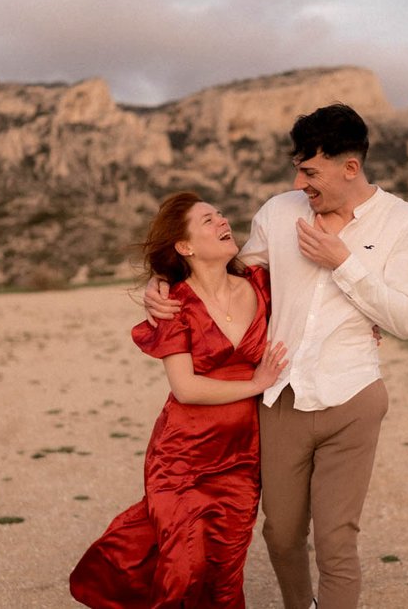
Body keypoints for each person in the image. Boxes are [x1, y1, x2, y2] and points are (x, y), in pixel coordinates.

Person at [145, 104, 408, 609]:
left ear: (350, 167)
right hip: (281, 401)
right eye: (297, 167)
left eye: (310, 170)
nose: (299, 181)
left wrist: (344, 263)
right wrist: (161, 282)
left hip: (352, 397)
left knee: (337, 541)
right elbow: (226, 273)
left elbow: (406, 320)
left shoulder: (402, 222)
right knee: (280, 534)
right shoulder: (280, 212)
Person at [70, 191, 288, 609]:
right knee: (182, 569)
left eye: (221, 214)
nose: (223, 221)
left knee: (225, 575)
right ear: (185, 247)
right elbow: (185, 387)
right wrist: (256, 384)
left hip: (243, 460)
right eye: (208, 220)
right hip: (182, 458)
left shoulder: (261, 286)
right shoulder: (176, 305)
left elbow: (314, 298)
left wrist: (364, 324)